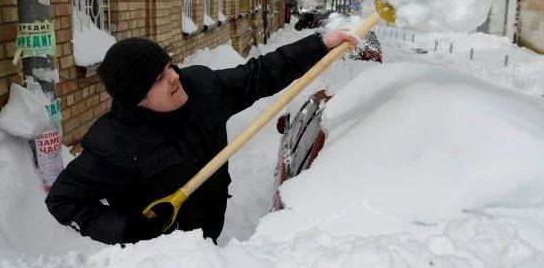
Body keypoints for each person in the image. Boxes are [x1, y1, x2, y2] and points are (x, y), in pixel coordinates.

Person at [45, 31, 356, 245]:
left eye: (168, 66)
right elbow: (63, 201)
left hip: (208, 234)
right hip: (158, 255)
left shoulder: (203, 89)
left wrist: (320, 44)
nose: (174, 77)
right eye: (159, 78)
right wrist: (128, 229)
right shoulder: (114, 144)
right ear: (136, 99)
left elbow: (260, 73)